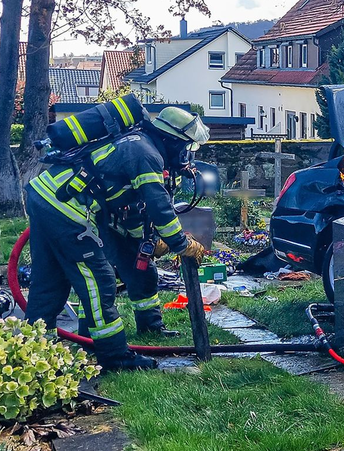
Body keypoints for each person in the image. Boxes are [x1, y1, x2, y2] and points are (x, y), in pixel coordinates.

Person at [24, 106, 209, 371]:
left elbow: (126, 208)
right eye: (187, 147)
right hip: (66, 209)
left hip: (44, 196)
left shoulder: (138, 143)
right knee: (98, 281)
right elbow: (158, 206)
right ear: (173, 139)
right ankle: (115, 357)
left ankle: (34, 354)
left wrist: (149, 239)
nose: (186, 155)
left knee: (48, 280)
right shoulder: (146, 154)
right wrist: (182, 244)